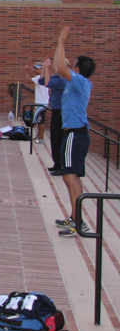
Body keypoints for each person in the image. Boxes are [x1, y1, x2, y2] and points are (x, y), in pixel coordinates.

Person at [52, 27, 96, 238]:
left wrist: (61, 41)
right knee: (73, 177)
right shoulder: (75, 82)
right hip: (74, 134)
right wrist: (58, 50)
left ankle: (77, 222)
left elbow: (60, 68)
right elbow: (57, 67)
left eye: (74, 64)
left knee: (69, 177)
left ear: (77, 68)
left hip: (75, 134)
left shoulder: (80, 81)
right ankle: (75, 217)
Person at [39, 56, 67, 175]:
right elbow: (41, 81)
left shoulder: (63, 79)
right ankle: (56, 164)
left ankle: (61, 166)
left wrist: (47, 68)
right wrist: (44, 68)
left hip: (62, 111)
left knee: (59, 138)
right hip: (55, 110)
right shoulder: (57, 77)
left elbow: (47, 83)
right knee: (54, 138)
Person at [25, 62, 49, 143]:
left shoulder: (40, 77)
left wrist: (26, 71)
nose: (36, 70)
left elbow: (28, 80)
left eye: (38, 68)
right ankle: (39, 135)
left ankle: (41, 138)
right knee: (39, 120)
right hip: (42, 102)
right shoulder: (43, 77)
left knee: (41, 120)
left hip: (41, 103)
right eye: (35, 68)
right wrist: (31, 72)